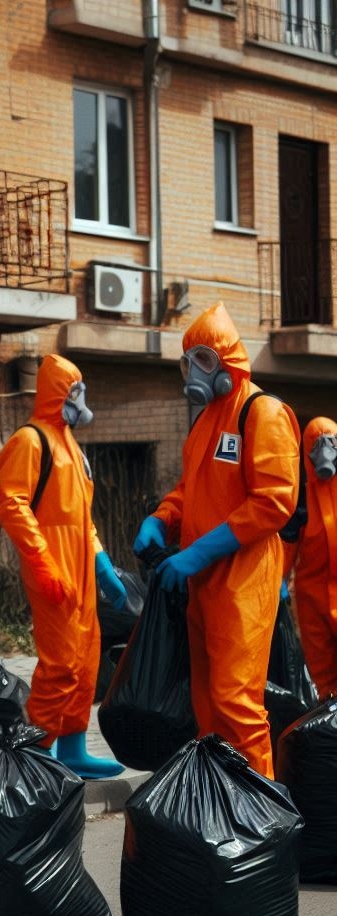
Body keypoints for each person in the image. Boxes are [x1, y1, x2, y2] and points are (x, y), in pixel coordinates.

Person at [133, 301, 300, 778]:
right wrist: (161, 519)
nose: (194, 371)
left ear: (229, 360)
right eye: (188, 361)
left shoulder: (261, 411)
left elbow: (274, 502)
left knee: (237, 701)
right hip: (203, 581)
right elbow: (191, 489)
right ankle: (220, 804)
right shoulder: (207, 418)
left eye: (204, 359)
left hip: (243, 577)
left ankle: (259, 814)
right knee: (207, 703)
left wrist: (198, 552)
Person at [0, 352, 127, 779]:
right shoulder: (31, 441)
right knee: (61, 663)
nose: (80, 397)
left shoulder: (69, 444)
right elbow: (13, 505)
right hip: (53, 566)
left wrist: (103, 564)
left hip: (81, 569)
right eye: (74, 389)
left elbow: (81, 517)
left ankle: (73, 748)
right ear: (58, 393)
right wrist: (43, 564)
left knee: (85, 661)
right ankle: (38, 751)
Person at [292, 416, 337, 700]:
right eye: (317, 444)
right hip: (312, 600)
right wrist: (277, 582)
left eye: (330, 443)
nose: (324, 452)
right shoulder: (299, 496)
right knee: (324, 682)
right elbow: (286, 542)